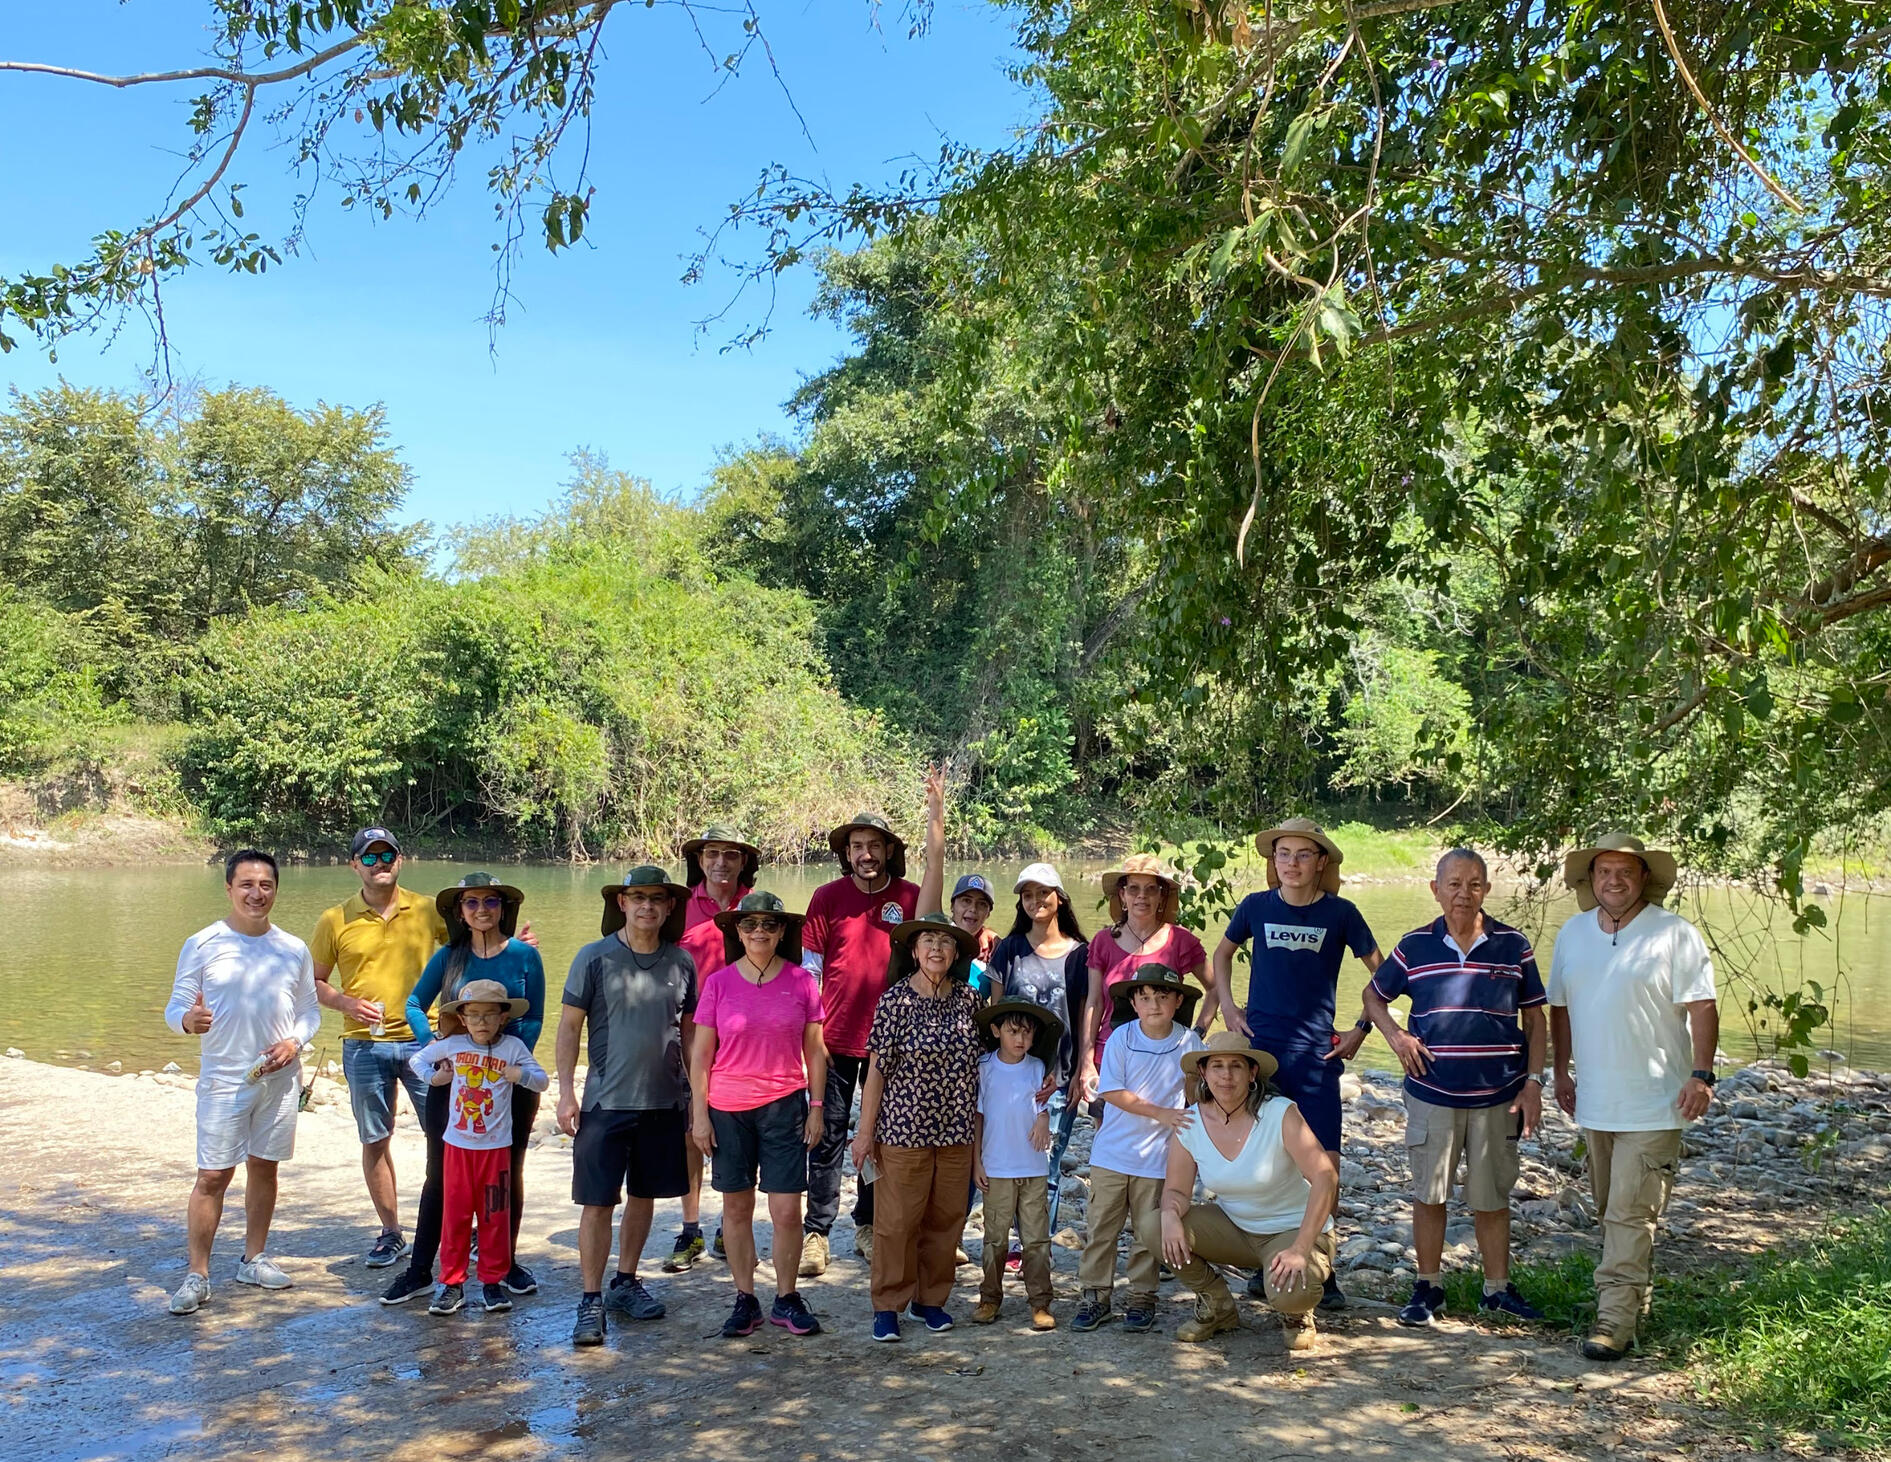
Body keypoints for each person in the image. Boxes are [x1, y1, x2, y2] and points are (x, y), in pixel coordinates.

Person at [1550, 833, 1718, 1362]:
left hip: (1656, 1102)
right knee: (1611, 1209)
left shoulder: (1675, 934)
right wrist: (1560, 1071)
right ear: (1591, 878)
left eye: (1626, 871)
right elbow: (1560, 1008)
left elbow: (1703, 1007)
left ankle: (1614, 1322)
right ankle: (1632, 1299)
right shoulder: (1573, 934)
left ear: (1644, 877)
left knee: (1628, 1211)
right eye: (1604, 871)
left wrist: (1701, 1075)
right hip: (1595, 1101)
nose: (1615, 881)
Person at [1362, 848, 1547, 1327]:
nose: (1464, 893)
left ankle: (1497, 1290)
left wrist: (1533, 1083)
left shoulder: (1513, 945)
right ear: (1436, 889)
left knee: (1492, 1196)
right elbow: (1373, 995)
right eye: (1454, 884)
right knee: (1430, 1193)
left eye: (1474, 884)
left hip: (1498, 1096)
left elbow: (1535, 1018)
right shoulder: (1415, 945)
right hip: (1433, 1093)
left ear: (1486, 889)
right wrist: (1397, 1037)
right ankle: (1428, 1287)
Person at [1204, 817, 1382, 1310]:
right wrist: (1229, 1008)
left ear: (1321, 862)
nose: (1292, 863)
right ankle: (1264, 1261)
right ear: (1274, 860)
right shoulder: (1255, 907)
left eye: (1304, 854)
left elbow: (1383, 973)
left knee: (1325, 1163)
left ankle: (1323, 1265)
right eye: (1283, 853)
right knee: (1266, 1160)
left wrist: (1361, 1028)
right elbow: (1221, 955)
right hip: (1261, 1055)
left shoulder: (1342, 913)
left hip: (1317, 1056)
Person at [164, 849, 320, 1315]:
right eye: (247, 885)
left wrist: (294, 1042)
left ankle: (254, 1259)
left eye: (266, 885)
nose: (257, 894)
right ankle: (197, 1275)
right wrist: (187, 1021)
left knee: (265, 1167)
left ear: (276, 890)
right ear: (229, 888)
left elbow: (309, 1010)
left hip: (280, 1077)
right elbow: (176, 1007)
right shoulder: (202, 943)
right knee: (212, 1175)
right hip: (224, 1078)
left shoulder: (292, 948)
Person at [379, 873, 547, 1307]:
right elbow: (414, 1004)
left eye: (490, 901)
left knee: (507, 1175)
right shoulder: (449, 956)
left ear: (503, 907)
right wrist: (435, 1048)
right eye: (471, 902)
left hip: (509, 1081)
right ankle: (421, 1270)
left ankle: (503, 1265)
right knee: (440, 1175)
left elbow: (533, 1017)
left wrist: (507, 1056)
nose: (481, 910)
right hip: (454, 1083)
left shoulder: (525, 956)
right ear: (460, 911)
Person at [557, 866, 699, 1346]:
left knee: (644, 1195)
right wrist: (566, 1092)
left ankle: (625, 1281)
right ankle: (590, 1299)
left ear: (669, 906)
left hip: (663, 1101)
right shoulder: (593, 957)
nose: (647, 907)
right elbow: (569, 1027)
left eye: (657, 898)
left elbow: (691, 1033)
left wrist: (697, 1097)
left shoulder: (681, 962)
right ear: (622, 902)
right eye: (638, 897)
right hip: (605, 1101)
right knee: (597, 1202)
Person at [690, 891, 828, 1339]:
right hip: (727, 1108)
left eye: (769, 924)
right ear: (738, 931)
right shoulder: (718, 983)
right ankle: (745, 1297)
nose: (759, 932)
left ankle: (787, 1297)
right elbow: (701, 1055)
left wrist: (817, 1108)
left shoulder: (803, 982)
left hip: (785, 1104)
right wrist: (699, 1115)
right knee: (736, 1207)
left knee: (787, 1210)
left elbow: (815, 1050)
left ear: (782, 931)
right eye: (750, 924)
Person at [309, 827, 445, 1270]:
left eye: (387, 855)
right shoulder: (334, 919)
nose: (379, 863)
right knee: (375, 1139)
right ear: (354, 865)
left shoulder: (429, 909)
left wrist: (514, 948)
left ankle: (456, 1226)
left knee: (446, 1137)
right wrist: (345, 1003)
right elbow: (314, 982)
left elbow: (471, 950)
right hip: (364, 1045)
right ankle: (391, 1232)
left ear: (400, 860)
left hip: (426, 1042)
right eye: (369, 857)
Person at [849, 912, 984, 1342]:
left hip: (956, 1130)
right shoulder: (895, 1001)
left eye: (945, 942)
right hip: (903, 1130)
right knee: (896, 1222)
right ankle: (888, 1304)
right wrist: (865, 1133)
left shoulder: (970, 1001)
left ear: (956, 952)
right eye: (928, 940)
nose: (937, 949)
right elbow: (876, 1073)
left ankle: (931, 1300)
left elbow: (987, 1065)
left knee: (946, 1219)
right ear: (914, 950)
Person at [1159, 1032, 1338, 1351]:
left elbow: (1325, 1176)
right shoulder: (1190, 1122)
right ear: (1203, 1072)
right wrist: (1171, 1214)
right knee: (1154, 1225)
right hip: (1235, 1228)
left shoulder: (1279, 1112)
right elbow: (1175, 1189)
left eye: (1236, 1066)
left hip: (1293, 1230)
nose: (1226, 1075)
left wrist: (1300, 1248)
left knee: (1292, 1294)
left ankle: (1296, 1314)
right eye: (1217, 1066)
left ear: (1252, 1073)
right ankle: (1217, 1305)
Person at [799, 810, 921, 1276]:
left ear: (889, 849)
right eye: (856, 847)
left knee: (882, 1138)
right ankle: (817, 1231)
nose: (865, 855)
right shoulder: (827, 897)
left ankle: (867, 1223)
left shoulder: (909, 897)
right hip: (834, 1040)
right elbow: (810, 971)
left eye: (873, 845)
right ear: (846, 854)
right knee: (827, 1135)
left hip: (892, 1045)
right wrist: (812, 1036)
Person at [1073, 963, 1206, 1334]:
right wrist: (1161, 1113)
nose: (1153, 1005)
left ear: (1178, 1001)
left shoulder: (1190, 1043)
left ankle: (1142, 1298)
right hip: (1112, 1153)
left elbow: (1199, 1092)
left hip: (1160, 1158)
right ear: (1132, 1003)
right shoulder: (1121, 1037)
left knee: (1148, 1234)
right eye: (1144, 997)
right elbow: (1112, 1091)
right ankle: (1095, 1295)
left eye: (1162, 996)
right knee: (1102, 1228)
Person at [406, 980, 550, 1315]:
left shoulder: (513, 1047)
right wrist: (435, 1078)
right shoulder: (453, 1045)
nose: (481, 1022)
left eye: (489, 1014)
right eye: (473, 1015)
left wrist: (519, 1075)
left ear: (503, 1017)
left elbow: (542, 1080)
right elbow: (418, 1061)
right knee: (455, 1215)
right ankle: (451, 1283)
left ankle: (492, 1282)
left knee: (494, 1216)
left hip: (496, 1149)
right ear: (462, 1018)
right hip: (457, 1148)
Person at [668, 825, 761, 1271]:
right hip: (689, 1033)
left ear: (744, 861)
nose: (720, 862)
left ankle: (731, 1225)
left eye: (730, 854)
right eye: (711, 853)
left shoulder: (758, 908)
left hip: (747, 1037)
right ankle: (691, 1229)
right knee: (693, 1128)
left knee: (742, 1131)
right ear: (699, 860)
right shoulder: (679, 907)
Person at [984, 863, 1088, 1239]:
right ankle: (1010, 1241)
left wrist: (1080, 1072)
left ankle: (1036, 1245)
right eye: (1027, 895)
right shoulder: (1009, 949)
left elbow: (1084, 1019)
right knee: (1008, 1159)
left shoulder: (1081, 954)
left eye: (1043, 893)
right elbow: (995, 1014)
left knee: (1047, 1164)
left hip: (1057, 1076)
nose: (1035, 901)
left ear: (1060, 898)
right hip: (1012, 1075)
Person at [1078, 855, 1207, 1099]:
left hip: (1166, 1057)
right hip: (1109, 1052)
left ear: (1161, 896)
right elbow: (1094, 1002)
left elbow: (1215, 987)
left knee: (1165, 1119)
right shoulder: (1103, 941)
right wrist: (1086, 1061)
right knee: (1108, 1121)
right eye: (1133, 888)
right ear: (1122, 895)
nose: (1142, 896)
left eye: (1150, 889)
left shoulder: (1180, 940)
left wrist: (1197, 1033)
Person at [971, 998, 1062, 1329]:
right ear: (996, 1031)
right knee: (995, 1238)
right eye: (1013, 1032)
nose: (1020, 1039)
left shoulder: (1038, 1068)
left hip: (1033, 1167)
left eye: (1027, 1032)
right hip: (997, 1167)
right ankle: (989, 1298)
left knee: (1036, 1239)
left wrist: (1044, 1119)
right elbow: (978, 1117)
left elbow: (1042, 1106)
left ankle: (1040, 1302)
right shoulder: (984, 1068)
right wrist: (976, 1162)